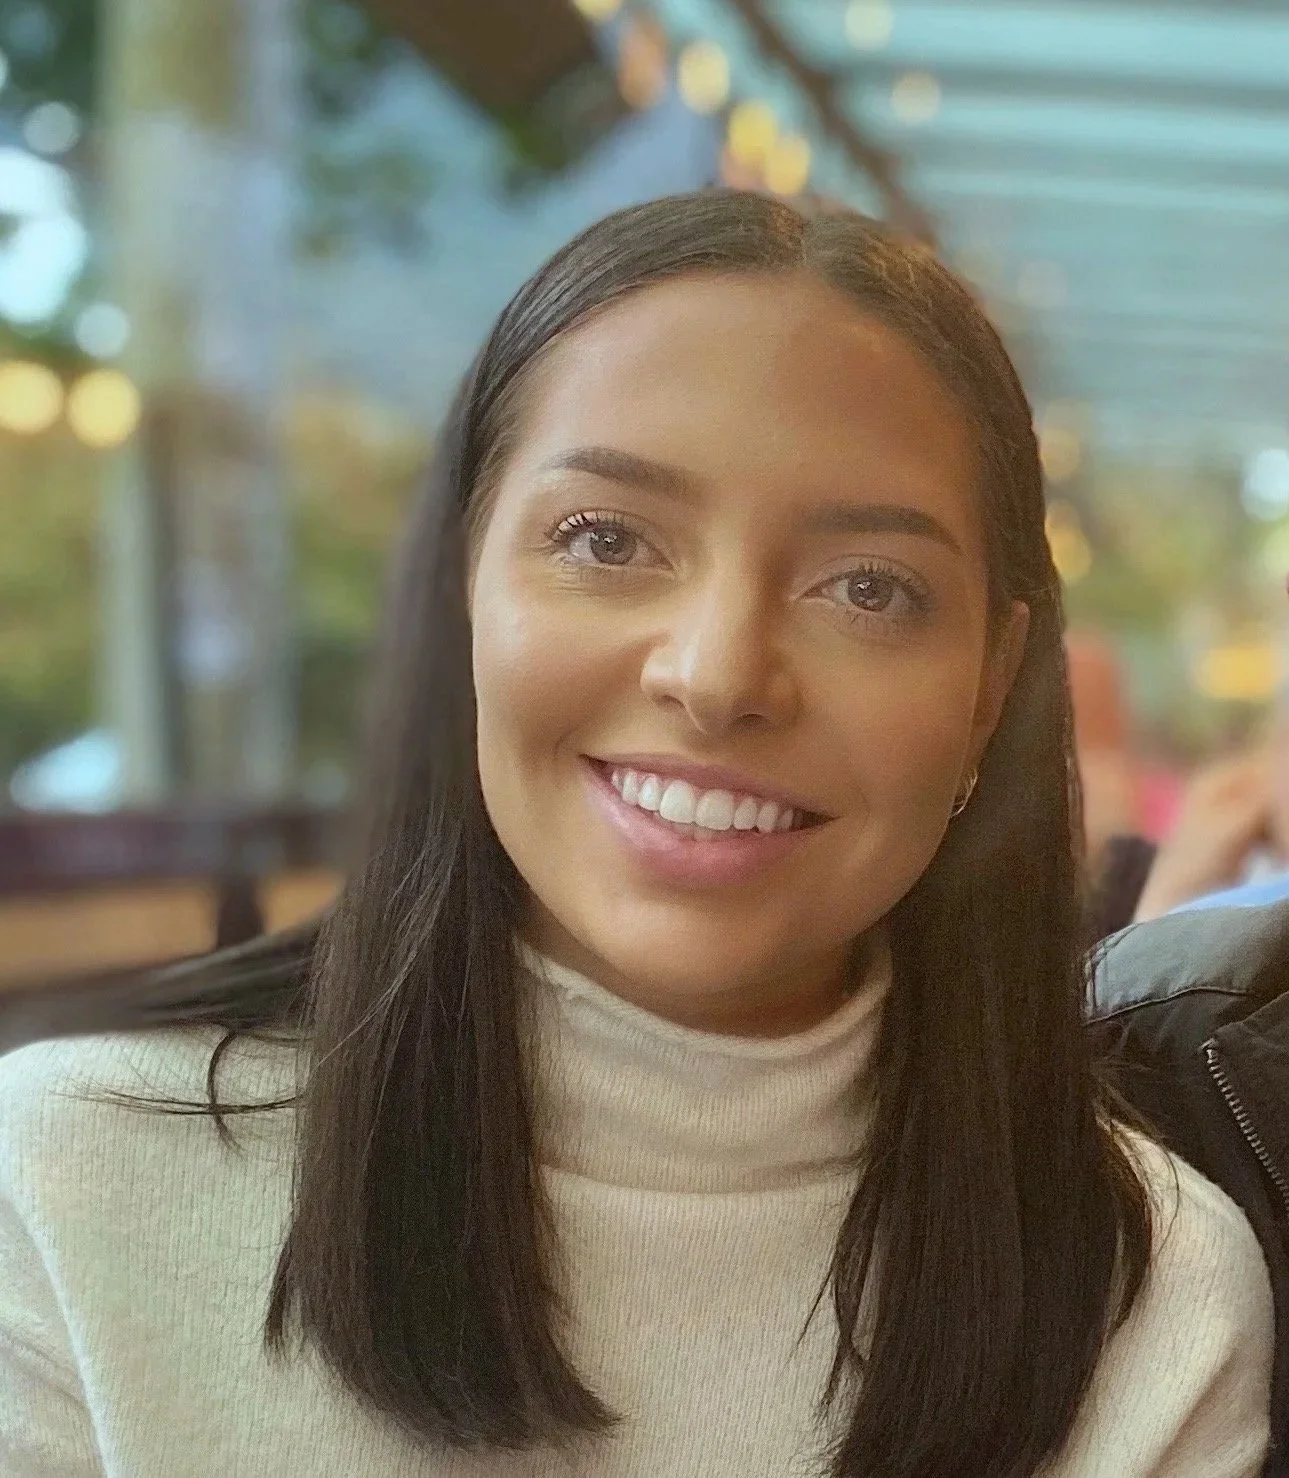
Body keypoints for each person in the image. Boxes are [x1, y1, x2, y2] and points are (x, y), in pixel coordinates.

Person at [0, 192, 1272, 1477]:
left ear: (991, 688)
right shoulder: (72, 1182)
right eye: (605, 538)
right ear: (461, 589)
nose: (719, 674)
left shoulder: (1149, 1295)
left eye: (868, 587)